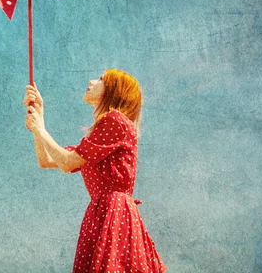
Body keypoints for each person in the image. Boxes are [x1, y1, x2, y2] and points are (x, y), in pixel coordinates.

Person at [24, 69, 166, 273]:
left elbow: (66, 163)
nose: (91, 81)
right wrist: (39, 115)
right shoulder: (100, 135)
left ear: (115, 90)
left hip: (113, 212)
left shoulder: (116, 120)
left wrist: (40, 129)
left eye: (101, 79)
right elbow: (46, 160)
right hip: (102, 212)